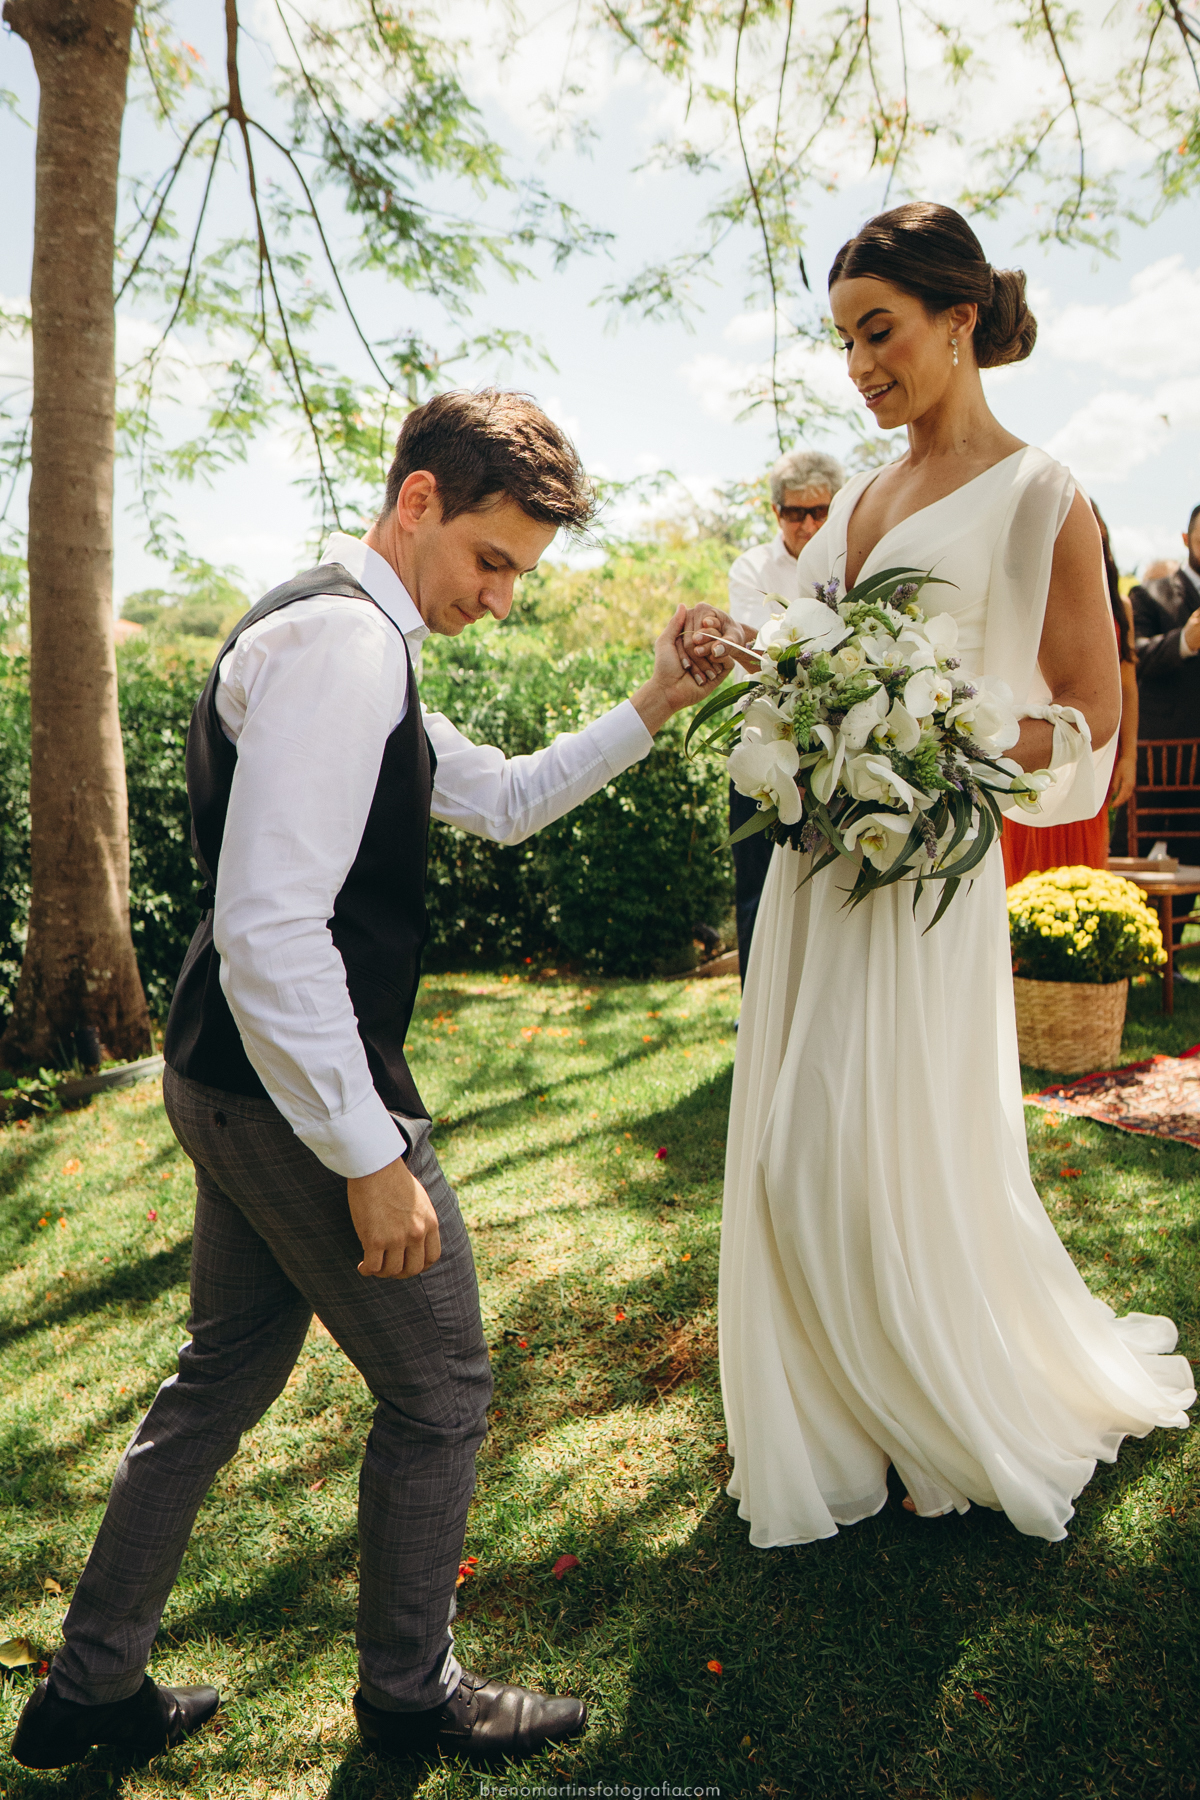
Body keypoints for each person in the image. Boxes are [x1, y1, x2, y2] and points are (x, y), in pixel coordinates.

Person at [10, 390, 735, 1772]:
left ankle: (87, 1687)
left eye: (522, 572)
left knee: (218, 1374)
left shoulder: (341, 636)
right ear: (417, 503)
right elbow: (277, 929)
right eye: (492, 560)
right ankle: (412, 1693)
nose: (503, 598)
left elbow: (506, 797)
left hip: (224, 1073)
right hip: (286, 1093)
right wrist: (367, 1155)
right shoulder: (344, 647)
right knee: (444, 1383)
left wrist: (654, 701)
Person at [712, 203, 1194, 1551]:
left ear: (961, 319)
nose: (860, 365)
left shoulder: (1046, 495)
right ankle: (832, 1411)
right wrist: (740, 660)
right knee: (794, 1153)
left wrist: (947, 729)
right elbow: (796, 642)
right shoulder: (860, 497)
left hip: (922, 879)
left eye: (880, 332)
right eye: (844, 341)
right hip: (823, 866)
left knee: (874, 1149)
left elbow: (1091, 728)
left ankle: (932, 1394)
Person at [726, 449, 847, 983]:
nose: (808, 524)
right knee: (757, 883)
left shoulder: (849, 564)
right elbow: (759, 657)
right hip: (763, 744)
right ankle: (755, 1004)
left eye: (819, 512)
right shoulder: (753, 568)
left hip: (836, 747)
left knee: (829, 883)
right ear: (776, 513)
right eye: (795, 513)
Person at [1001, 502, 1138, 884]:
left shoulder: (1119, 606)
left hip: (1088, 742)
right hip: (1036, 738)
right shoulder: (1027, 593)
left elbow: (1127, 682)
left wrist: (1129, 756)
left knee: (1082, 847)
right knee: (1026, 839)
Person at [1124, 505, 1200, 858]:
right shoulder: (1149, 594)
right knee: (1130, 852)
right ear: (1187, 539)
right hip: (1162, 758)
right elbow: (1134, 658)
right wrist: (1184, 641)